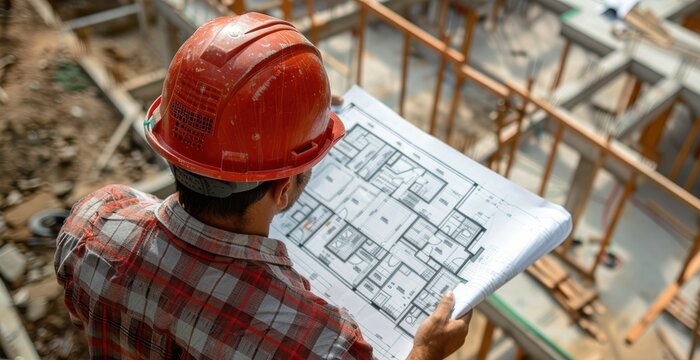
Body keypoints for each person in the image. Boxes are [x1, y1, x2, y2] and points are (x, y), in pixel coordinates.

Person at [55, 12, 471, 359]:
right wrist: (425, 354)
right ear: (284, 188)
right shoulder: (316, 342)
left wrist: (293, 114)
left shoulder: (92, 226)